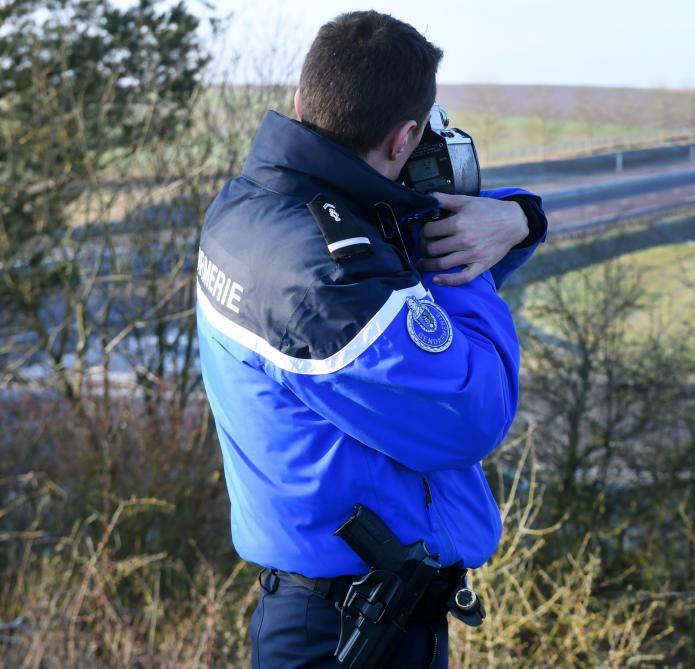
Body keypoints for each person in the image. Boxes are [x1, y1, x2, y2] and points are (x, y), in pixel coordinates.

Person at [194, 11, 547, 668]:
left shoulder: (261, 207)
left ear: (303, 104)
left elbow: (383, 246)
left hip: (337, 615)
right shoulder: (326, 281)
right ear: (404, 137)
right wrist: (463, 267)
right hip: (350, 633)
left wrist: (515, 218)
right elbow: (474, 411)